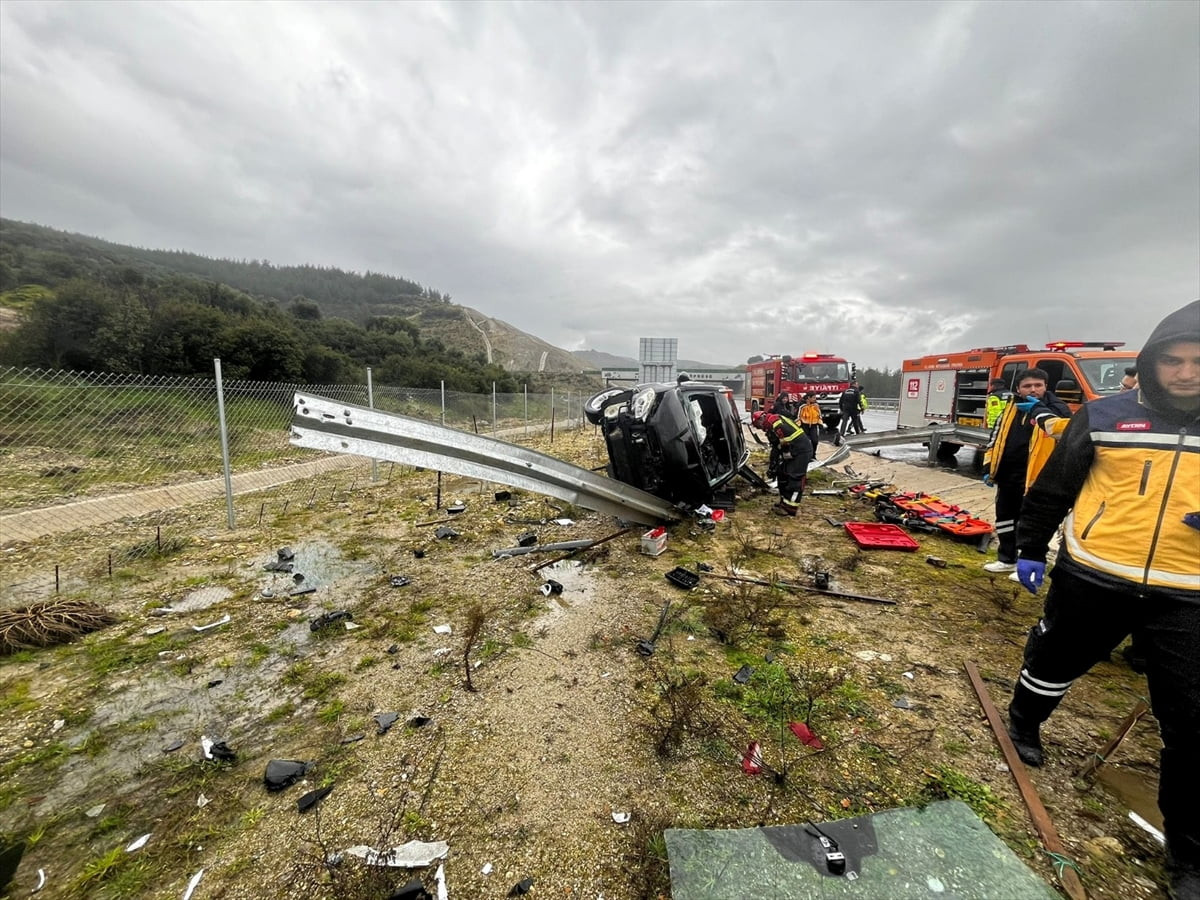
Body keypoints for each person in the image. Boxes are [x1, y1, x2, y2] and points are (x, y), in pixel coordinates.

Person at [1007, 300, 1200, 900]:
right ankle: (1024, 723)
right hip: (1096, 573)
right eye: (1174, 360)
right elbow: (1055, 486)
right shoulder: (1105, 415)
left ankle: (1189, 857)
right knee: (1055, 661)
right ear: (1151, 362)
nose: (1187, 372)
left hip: (1188, 592)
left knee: (1192, 725)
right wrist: (1030, 546)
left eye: (1199, 361)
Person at [981, 368, 1071, 574]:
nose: (1033, 390)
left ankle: (1027, 564)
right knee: (1004, 519)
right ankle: (1006, 558)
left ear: (1046, 387)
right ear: (1018, 389)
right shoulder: (1011, 407)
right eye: (1027, 386)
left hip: (1037, 478)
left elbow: (1066, 444)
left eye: (1038, 385)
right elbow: (995, 438)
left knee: (1031, 524)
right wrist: (988, 467)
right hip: (1008, 475)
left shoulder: (1057, 409)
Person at [751, 410, 814, 516]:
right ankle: (784, 502)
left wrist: (785, 454)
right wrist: (773, 466)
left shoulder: (776, 424)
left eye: (759, 426)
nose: (761, 429)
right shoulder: (773, 423)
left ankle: (791, 508)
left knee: (795, 477)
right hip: (794, 450)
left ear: (761, 420)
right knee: (782, 473)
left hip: (801, 451)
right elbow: (776, 448)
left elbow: (783, 443)